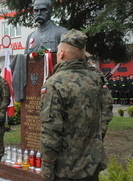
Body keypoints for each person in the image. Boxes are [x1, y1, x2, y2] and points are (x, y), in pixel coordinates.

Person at [40, 29, 113, 180]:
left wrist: (47, 171)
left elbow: (51, 133)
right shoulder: (96, 78)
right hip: (92, 164)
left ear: (61, 54)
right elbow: (106, 113)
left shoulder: (55, 84)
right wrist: (96, 139)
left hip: (66, 170)